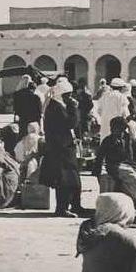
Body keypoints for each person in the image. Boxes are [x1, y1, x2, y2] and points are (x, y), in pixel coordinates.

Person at [39, 77, 87, 217]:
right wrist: (73, 108)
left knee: (72, 179)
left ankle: (75, 205)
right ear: (62, 94)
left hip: (64, 148)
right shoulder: (56, 108)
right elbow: (71, 123)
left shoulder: (57, 106)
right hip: (60, 150)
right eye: (68, 95)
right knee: (64, 180)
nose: (70, 97)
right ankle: (62, 208)